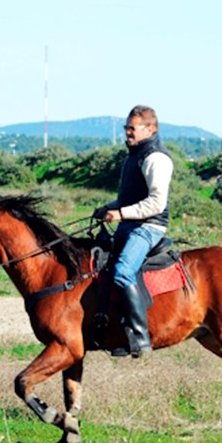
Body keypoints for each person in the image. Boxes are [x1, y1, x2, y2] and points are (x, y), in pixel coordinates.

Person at [93, 104, 174, 357]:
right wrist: (107, 208)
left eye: (132, 128)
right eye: (126, 128)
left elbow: (155, 203)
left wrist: (120, 213)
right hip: (129, 224)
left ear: (150, 129)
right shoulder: (133, 157)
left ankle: (140, 337)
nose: (127, 133)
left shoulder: (156, 158)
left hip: (148, 227)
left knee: (123, 272)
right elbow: (128, 199)